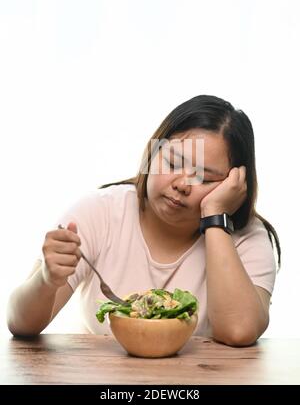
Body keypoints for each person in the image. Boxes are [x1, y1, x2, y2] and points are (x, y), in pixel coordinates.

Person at [7, 95, 281, 346]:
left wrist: (216, 218)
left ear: (235, 185)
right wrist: (46, 280)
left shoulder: (247, 236)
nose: (182, 184)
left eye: (205, 178)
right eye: (173, 163)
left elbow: (239, 331)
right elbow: (19, 323)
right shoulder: (101, 211)